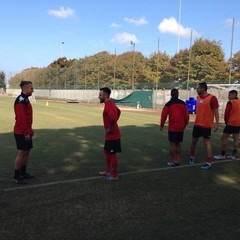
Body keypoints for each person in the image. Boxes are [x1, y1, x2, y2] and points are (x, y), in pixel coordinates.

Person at [189, 82, 219, 170]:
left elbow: (216, 111)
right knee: (193, 141)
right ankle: (192, 157)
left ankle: (208, 162)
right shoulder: (198, 98)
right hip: (197, 124)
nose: (197, 90)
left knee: (207, 143)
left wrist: (216, 123)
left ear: (203, 88)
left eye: (198, 88)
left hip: (206, 125)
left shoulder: (212, 98)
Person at [160, 88, 189, 166]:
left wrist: (161, 125)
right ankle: (177, 159)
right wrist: (184, 125)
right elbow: (187, 116)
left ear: (171, 94)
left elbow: (163, 116)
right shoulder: (183, 103)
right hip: (180, 127)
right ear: (178, 94)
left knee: (172, 144)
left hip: (172, 127)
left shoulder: (168, 104)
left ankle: (172, 161)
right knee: (178, 144)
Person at [13, 80, 34, 183]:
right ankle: (16, 176)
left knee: (27, 151)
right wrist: (26, 132)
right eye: (31, 88)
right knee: (22, 153)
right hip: (21, 132)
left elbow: (27, 117)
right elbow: (21, 119)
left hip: (26, 130)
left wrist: (30, 130)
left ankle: (23, 172)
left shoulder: (25, 99)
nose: (33, 90)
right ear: (25, 88)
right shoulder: (20, 100)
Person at [98, 87, 121, 181]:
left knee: (112, 154)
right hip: (109, 135)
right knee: (107, 152)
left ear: (105, 95)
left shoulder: (108, 104)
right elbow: (119, 112)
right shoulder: (110, 103)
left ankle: (114, 175)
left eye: (100, 95)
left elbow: (112, 117)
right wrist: (114, 123)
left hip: (113, 135)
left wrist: (111, 127)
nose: (99, 97)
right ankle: (107, 171)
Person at [214, 90, 240, 160]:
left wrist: (226, 121)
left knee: (223, 138)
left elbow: (227, 113)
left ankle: (222, 154)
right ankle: (233, 155)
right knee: (236, 139)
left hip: (231, 123)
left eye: (229, 95)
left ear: (233, 95)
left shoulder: (230, 102)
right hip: (238, 124)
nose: (228, 97)